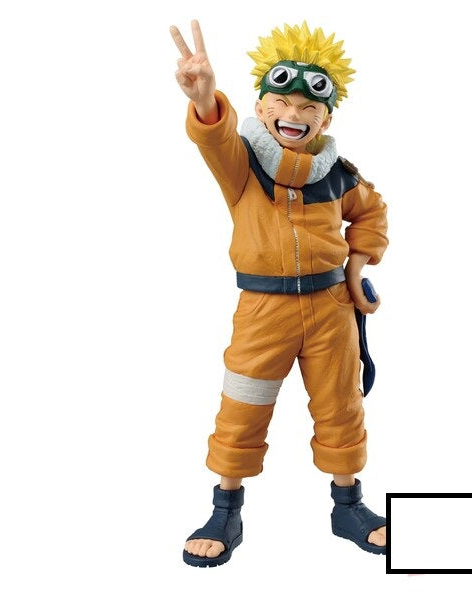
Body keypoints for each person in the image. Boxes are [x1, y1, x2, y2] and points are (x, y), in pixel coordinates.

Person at [170, 20, 389, 567]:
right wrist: (204, 101)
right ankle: (226, 509)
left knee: (341, 404)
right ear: (262, 107)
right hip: (263, 310)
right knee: (243, 404)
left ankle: (348, 507)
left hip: (331, 309)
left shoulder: (338, 175)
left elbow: (372, 212)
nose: (295, 114)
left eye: (309, 106)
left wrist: (356, 267)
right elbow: (214, 138)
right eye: (283, 102)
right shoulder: (242, 166)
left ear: (326, 118)